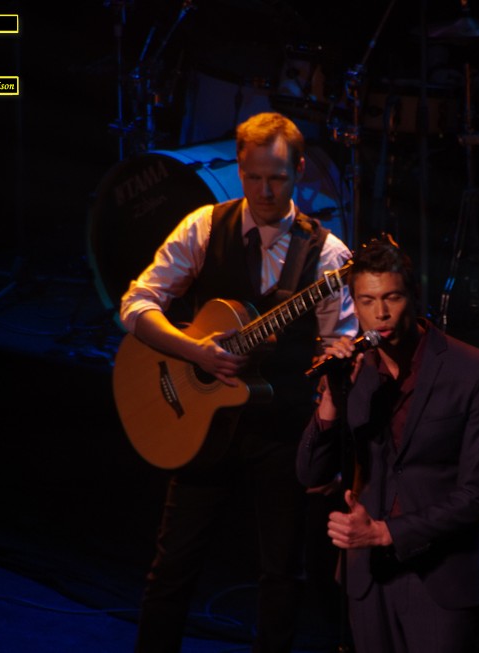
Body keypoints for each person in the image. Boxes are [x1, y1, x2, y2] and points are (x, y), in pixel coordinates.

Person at [119, 111, 357, 653]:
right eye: (253, 177)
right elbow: (137, 303)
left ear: (300, 170)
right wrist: (192, 350)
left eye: (277, 177)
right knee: (172, 567)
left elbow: (339, 354)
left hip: (281, 429)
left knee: (282, 574)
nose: (264, 191)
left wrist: (333, 424)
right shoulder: (204, 226)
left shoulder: (329, 256)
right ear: (239, 169)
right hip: (200, 427)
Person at [295, 236, 479, 653]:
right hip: (368, 577)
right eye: (368, 301)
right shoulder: (353, 371)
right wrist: (332, 396)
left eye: (392, 297)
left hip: (443, 576)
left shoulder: (471, 370)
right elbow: (311, 474)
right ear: (355, 305)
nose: (381, 313)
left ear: (414, 296)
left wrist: (386, 532)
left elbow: (478, 495)